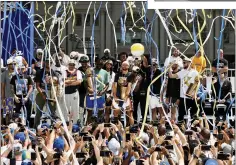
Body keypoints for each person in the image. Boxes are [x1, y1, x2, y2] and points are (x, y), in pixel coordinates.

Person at [168, 56, 199, 122]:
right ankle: (181, 129)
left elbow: (197, 84)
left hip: (191, 97)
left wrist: (195, 93)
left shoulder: (195, 72)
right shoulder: (182, 72)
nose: (183, 64)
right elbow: (171, 76)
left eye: (185, 62)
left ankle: (193, 129)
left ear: (189, 63)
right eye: (183, 62)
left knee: (193, 115)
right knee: (181, 115)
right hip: (182, 97)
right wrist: (169, 67)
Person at [34, 57, 59, 128]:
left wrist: (55, 96)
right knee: (38, 112)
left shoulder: (54, 72)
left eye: (50, 62)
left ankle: (54, 127)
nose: (49, 63)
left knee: (53, 112)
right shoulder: (40, 72)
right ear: (44, 62)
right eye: (47, 62)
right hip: (41, 92)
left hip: (51, 93)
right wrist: (42, 94)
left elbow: (57, 85)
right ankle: (36, 127)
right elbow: (37, 85)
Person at [85, 57, 109, 124]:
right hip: (90, 95)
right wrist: (89, 89)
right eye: (98, 64)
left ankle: (99, 127)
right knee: (89, 112)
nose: (99, 65)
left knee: (101, 112)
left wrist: (102, 92)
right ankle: (89, 127)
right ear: (95, 63)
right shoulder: (90, 70)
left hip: (100, 95)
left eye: (101, 64)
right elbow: (85, 82)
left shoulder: (105, 73)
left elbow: (107, 84)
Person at [112, 61, 133, 126]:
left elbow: (129, 86)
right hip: (118, 97)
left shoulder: (130, 75)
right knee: (116, 113)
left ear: (128, 66)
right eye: (123, 65)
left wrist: (126, 97)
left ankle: (132, 129)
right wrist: (115, 96)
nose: (124, 66)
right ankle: (117, 128)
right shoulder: (117, 75)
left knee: (129, 114)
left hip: (127, 98)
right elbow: (114, 86)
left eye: (126, 65)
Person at [63, 59, 83, 124]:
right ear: (68, 65)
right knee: (66, 109)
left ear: (75, 65)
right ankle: (66, 123)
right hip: (66, 93)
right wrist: (74, 80)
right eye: (70, 64)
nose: (71, 66)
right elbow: (64, 81)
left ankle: (75, 125)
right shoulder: (64, 72)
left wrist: (69, 82)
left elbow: (79, 82)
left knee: (75, 109)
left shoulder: (78, 72)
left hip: (74, 93)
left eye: (73, 65)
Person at [1, 59, 17, 124]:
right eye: (12, 64)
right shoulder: (4, 74)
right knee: (8, 113)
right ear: (8, 65)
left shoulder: (17, 73)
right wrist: (3, 98)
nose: (13, 65)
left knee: (15, 113)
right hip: (8, 97)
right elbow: (2, 87)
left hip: (16, 97)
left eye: (15, 64)